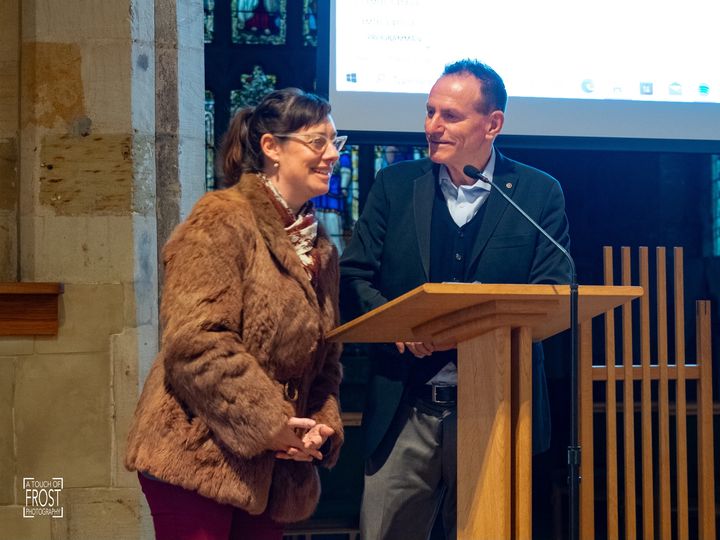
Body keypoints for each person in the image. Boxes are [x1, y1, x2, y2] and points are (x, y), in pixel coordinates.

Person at [339, 59, 572, 539]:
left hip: (498, 408)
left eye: (449, 115)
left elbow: (552, 288)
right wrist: (399, 326)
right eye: (429, 112)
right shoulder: (395, 186)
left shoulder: (537, 193)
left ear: (493, 124)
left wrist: (473, 329)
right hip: (405, 406)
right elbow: (354, 275)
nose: (432, 126)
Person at [125, 87, 347, 540]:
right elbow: (196, 344)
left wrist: (319, 428)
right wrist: (270, 422)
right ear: (271, 148)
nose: (332, 155)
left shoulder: (321, 249)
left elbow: (326, 361)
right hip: (199, 452)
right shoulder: (222, 218)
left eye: (335, 142)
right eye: (318, 142)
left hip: (273, 466)